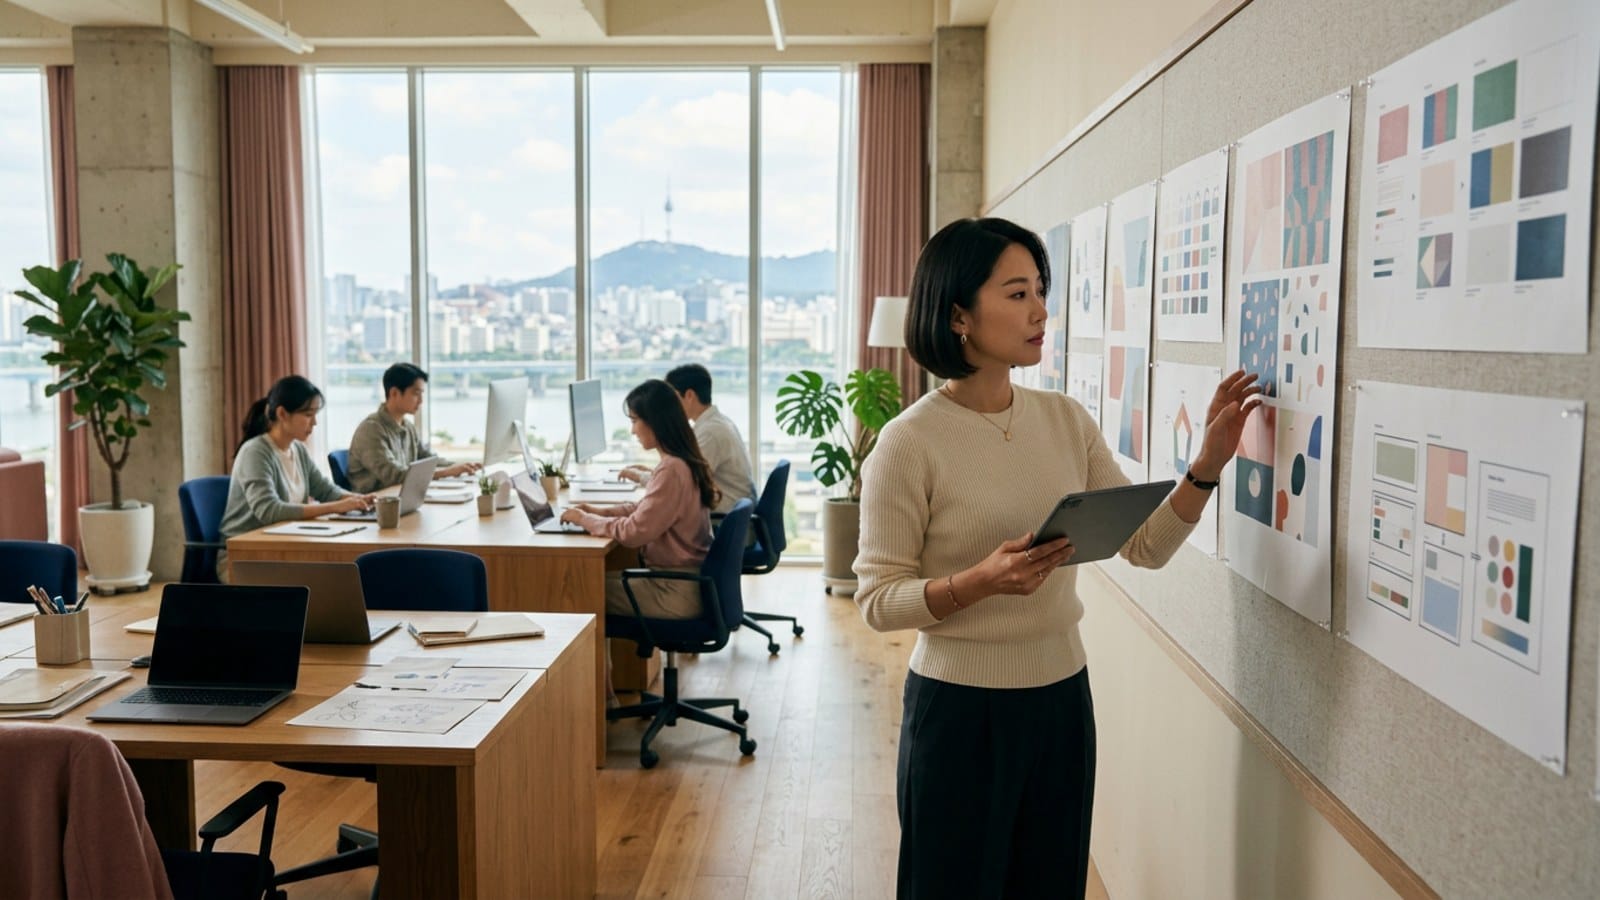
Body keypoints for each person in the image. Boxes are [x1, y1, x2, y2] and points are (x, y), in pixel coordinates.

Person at [854, 217, 1262, 900]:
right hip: (959, 714)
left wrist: (1207, 466)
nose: (1041, 311)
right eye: (1018, 294)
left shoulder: (1065, 419)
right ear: (958, 316)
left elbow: (1146, 546)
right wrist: (980, 582)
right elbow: (876, 601)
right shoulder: (908, 442)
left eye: (1041, 291)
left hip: (1061, 702)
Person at [561, 379, 718, 621]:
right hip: (684, 583)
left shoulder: (672, 470)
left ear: (655, 422)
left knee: (576, 588)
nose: (633, 430)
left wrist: (585, 520)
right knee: (587, 580)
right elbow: (646, 509)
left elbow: (633, 532)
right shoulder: (682, 461)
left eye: (635, 421)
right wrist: (599, 512)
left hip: (672, 591)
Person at [218, 375, 376, 581]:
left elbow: (326, 490)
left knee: (344, 579)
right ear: (282, 414)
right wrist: (335, 507)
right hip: (245, 557)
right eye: (309, 414)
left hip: (283, 549)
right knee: (330, 582)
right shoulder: (255, 452)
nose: (315, 422)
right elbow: (269, 511)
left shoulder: (298, 450)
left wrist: (358, 500)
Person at [618, 363, 756, 515]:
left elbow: (684, 485)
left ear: (689, 395)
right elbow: (686, 476)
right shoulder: (715, 422)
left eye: (672, 398)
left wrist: (641, 477)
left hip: (722, 515)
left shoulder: (710, 432)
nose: (669, 405)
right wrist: (655, 474)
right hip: (731, 509)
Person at [346, 362, 480, 493]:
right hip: (377, 502)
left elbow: (428, 460)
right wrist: (446, 472)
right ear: (394, 393)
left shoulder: (408, 427)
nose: (421, 401)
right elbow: (395, 476)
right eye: (416, 394)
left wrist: (460, 467)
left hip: (403, 497)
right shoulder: (371, 430)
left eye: (422, 394)